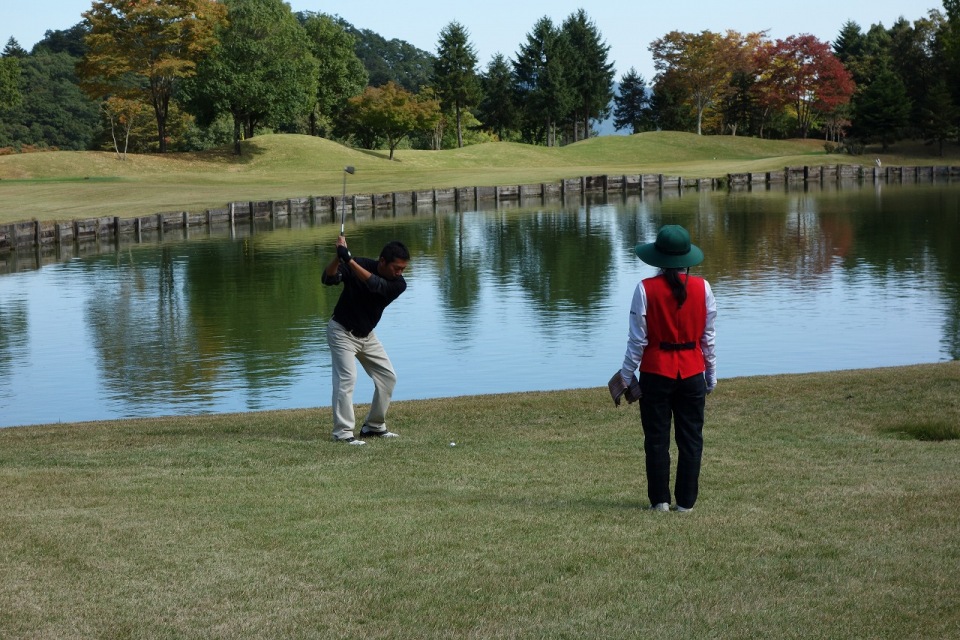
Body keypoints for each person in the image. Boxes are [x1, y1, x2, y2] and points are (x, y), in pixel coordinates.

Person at [620, 225, 717, 512]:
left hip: (656, 373)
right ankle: (686, 503)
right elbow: (708, 339)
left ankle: (660, 501)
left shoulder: (644, 289)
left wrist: (626, 376)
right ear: (687, 258)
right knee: (691, 440)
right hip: (692, 373)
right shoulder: (704, 288)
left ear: (658, 259)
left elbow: (637, 341)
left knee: (656, 440)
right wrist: (710, 375)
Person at [322, 236, 410, 445]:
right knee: (347, 379)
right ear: (382, 261)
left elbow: (375, 285)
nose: (400, 273)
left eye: (403, 269)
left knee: (388, 377)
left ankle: (374, 426)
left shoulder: (398, 284)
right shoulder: (360, 263)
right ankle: (343, 433)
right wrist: (338, 258)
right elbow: (328, 279)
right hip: (341, 331)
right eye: (397, 268)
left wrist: (349, 260)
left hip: (367, 336)